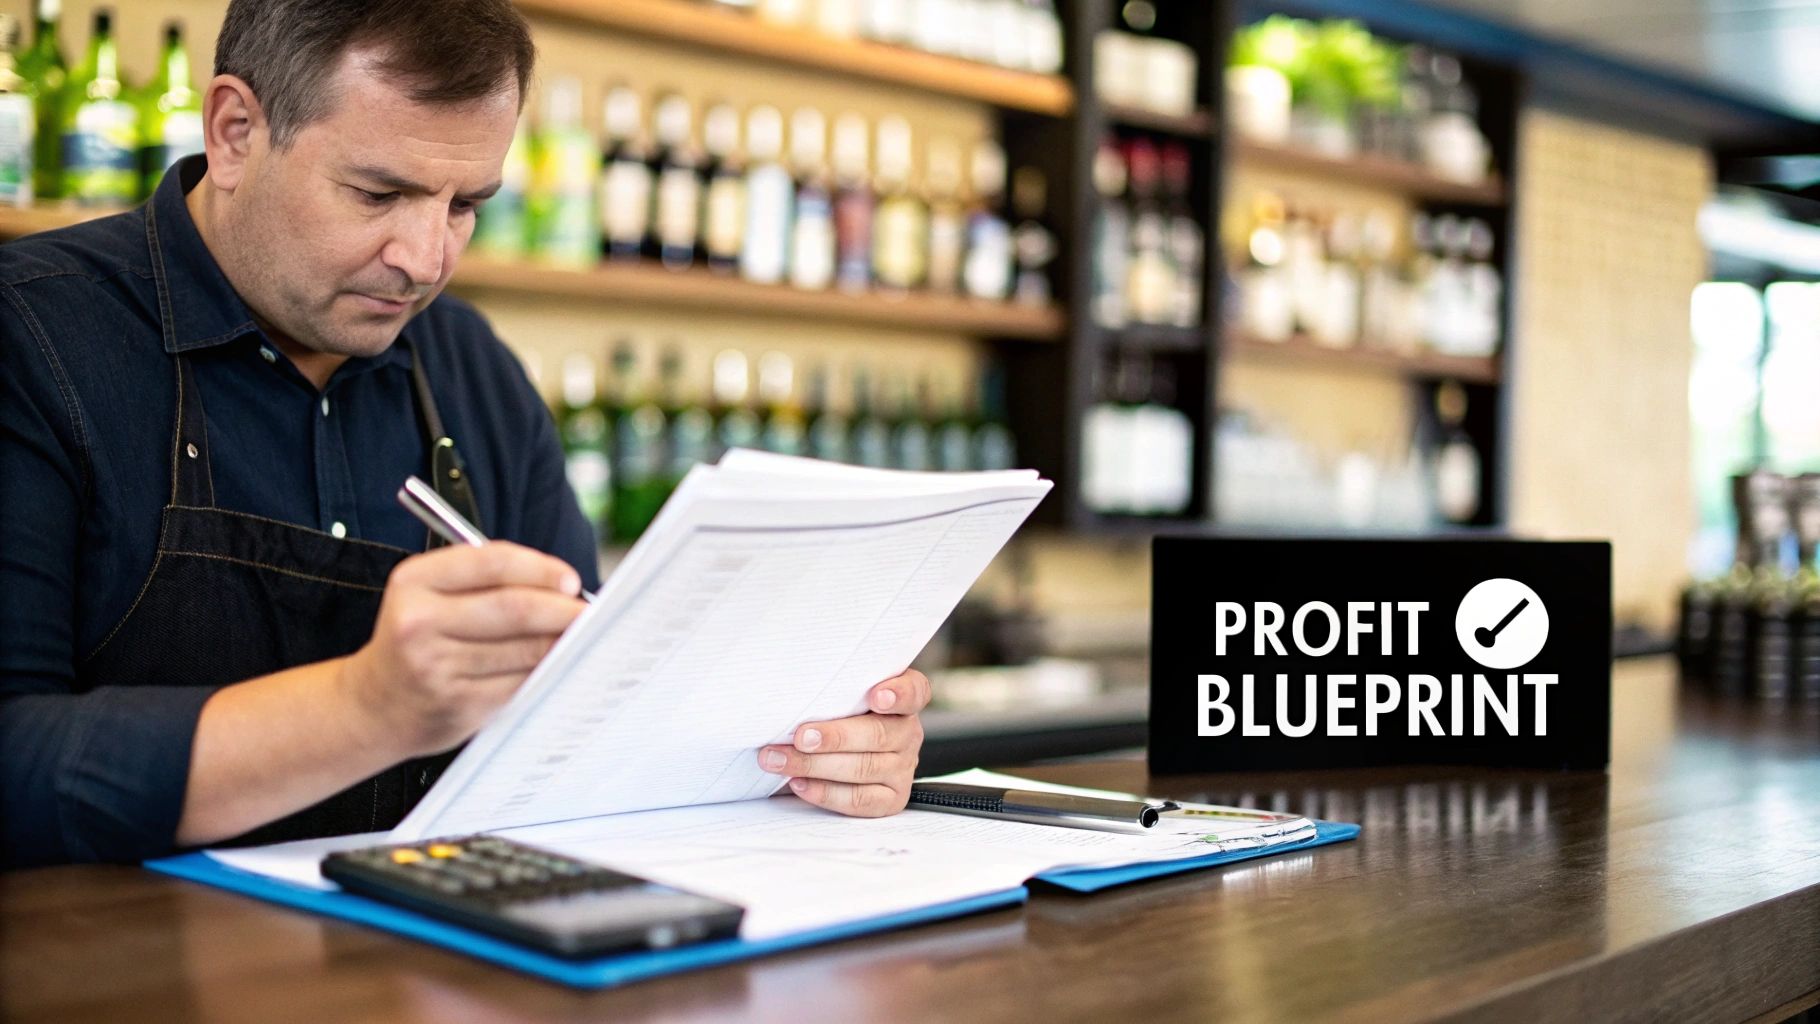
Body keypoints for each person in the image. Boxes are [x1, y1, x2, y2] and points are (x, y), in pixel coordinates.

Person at [0, 0, 929, 870]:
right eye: (377, 193)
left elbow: (589, 720)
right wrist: (366, 708)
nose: (425, 260)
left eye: (464, 205)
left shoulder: (469, 367)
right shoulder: (32, 335)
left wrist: (800, 752)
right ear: (235, 131)